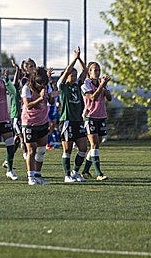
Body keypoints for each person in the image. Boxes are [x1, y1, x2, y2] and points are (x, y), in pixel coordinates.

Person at [21, 66, 58, 185]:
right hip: (29, 123)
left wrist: (50, 97)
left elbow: (51, 102)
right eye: (39, 83)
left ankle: (37, 175)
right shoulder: (26, 88)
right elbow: (28, 105)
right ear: (33, 80)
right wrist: (40, 98)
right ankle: (30, 177)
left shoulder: (45, 87)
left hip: (42, 121)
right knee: (31, 150)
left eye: (43, 83)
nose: (41, 86)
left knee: (41, 150)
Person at [57, 47, 88, 183]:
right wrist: (73, 59)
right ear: (66, 75)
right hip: (67, 121)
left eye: (75, 75)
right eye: (71, 74)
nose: (74, 77)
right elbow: (66, 72)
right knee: (68, 148)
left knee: (83, 148)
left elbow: (85, 71)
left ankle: (75, 171)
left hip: (78, 120)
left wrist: (79, 58)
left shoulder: (77, 85)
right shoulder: (62, 86)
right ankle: (67, 175)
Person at [80, 61, 111, 181]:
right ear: (89, 72)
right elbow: (92, 97)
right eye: (95, 70)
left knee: (96, 145)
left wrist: (104, 86)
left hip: (101, 116)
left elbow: (109, 98)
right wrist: (101, 86)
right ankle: (99, 173)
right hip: (90, 117)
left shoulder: (101, 83)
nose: (97, 72)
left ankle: (85, 171)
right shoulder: (85, 84)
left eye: (98, 70)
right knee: (93, 144)